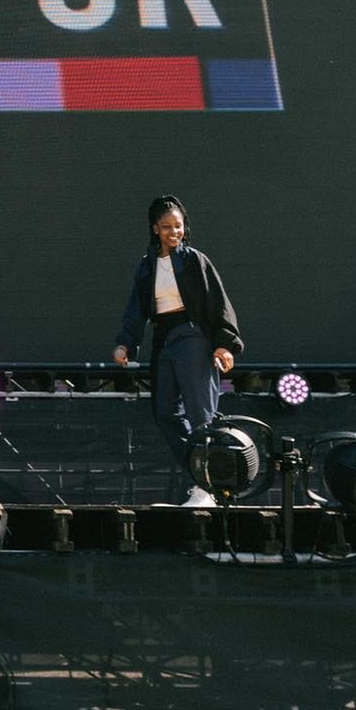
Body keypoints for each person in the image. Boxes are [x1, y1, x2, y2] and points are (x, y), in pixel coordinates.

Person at [112, 194, 241, 507]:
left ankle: (208, 488)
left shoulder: (195, 260)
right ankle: (202, 475)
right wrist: (125, 343)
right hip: (164, 340)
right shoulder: (147, 266)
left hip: (193, 335)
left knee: (200, 413)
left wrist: (224, 344)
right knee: (166, 413)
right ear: (155, 229)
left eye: (179, 226)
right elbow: (136, 308)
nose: (174, 232)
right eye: (167, 227)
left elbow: (218, 301)